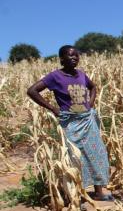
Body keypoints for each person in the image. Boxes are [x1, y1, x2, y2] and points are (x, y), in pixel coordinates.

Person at [27, 45, 113, 201]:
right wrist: (52, 108)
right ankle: (75, 196)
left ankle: (99, 192)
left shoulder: (81, 75)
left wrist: (90, 103)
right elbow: (32, 90)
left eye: (76, 56)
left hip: (87, 121)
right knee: (73, 158)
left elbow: (93, 87)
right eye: (70, 55)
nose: (74, 58)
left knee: (95, 154)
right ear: (61, 59)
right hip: (70, 123)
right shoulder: (55, 77)